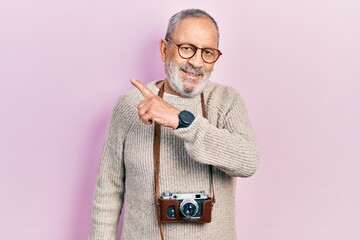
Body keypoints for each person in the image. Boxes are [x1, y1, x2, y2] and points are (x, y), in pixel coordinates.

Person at [90, 9, 258, 240]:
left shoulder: (226, 101)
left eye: (208, 52)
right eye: (187, 48)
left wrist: (181, 121)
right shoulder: (131, 105)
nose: (197, 62)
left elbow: (248, 161)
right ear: (164, 48)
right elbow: (108, 191)